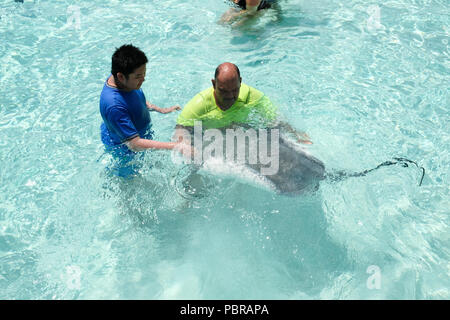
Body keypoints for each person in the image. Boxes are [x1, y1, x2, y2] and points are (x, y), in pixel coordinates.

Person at [99, 44, 190, 177]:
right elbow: (134, 144)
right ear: (121, 77)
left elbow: (134, 98)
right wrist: (176, 146)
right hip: (125, 149)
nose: (143, 79)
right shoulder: (114, 106)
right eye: (138, 77)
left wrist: (160, 110)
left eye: (144, 74)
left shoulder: (121, 79)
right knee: (132, 181)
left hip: (134, 133)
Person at [174, 62, 312, 144]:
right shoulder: (199, 104)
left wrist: (297, 136)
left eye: (235, 90)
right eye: (223, 91)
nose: (230, 96)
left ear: (240, 81)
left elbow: (276, 120)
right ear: (213, 84)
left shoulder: (253, 96)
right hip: (210, 137)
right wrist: (186, 144)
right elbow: (181, 129)